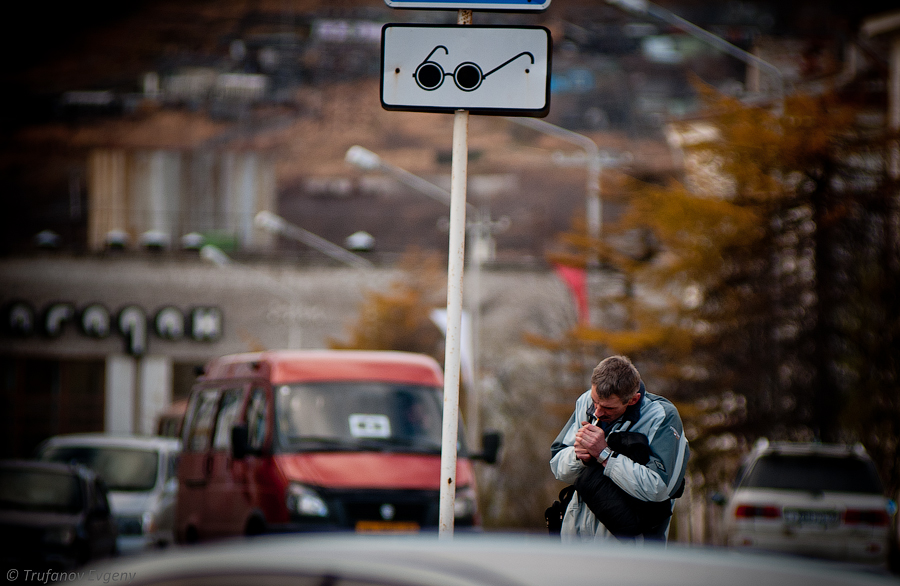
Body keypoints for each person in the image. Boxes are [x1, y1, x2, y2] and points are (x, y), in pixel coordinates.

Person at [549, 355, 689, 542]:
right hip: (576, 540)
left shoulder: (662, 417)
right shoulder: (585, 401)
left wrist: (605, 455)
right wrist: (579, 457)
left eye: (608, 408)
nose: (597, 412)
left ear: (633, 400)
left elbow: (660, 488)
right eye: (594, 402)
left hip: (630, 548)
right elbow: (557, 467)